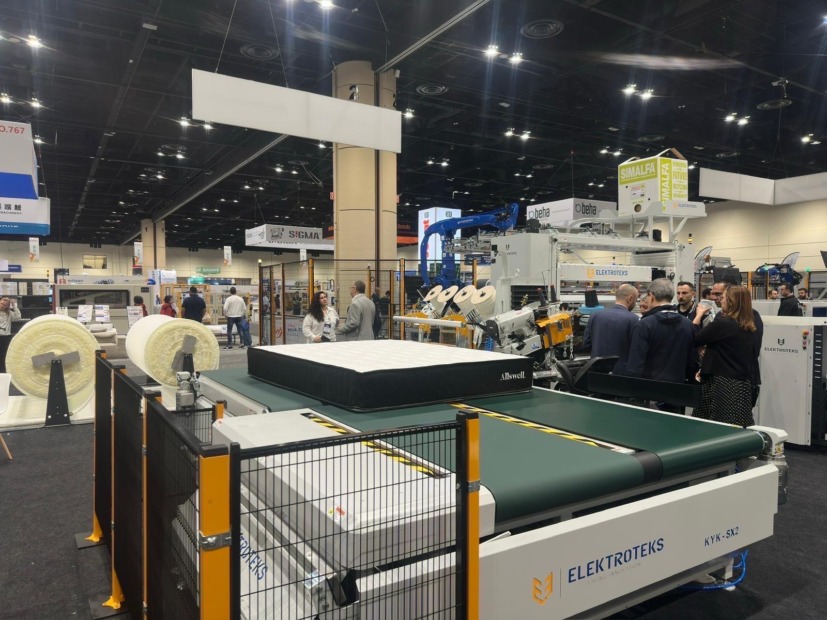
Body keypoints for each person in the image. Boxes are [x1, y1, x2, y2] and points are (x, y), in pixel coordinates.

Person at [691, 285, 758, 427]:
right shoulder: (748, 324)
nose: (720, 300)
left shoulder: (723, 323)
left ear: (732, 301)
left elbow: (694, 338)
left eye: (723, 297)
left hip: (722, 384)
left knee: (715, 425)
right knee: (735, 424)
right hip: (741, 384)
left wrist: (698, 316)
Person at [624, 278, 694, 384]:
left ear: (651, 296)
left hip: (650, 388)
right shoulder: (688, 325)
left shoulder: (644, 324)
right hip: (678, 387)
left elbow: (635, 364)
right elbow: (691, 362)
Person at [582, 283, 639, 373]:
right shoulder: (634, 319)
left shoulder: (595, 315)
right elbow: (636, 351)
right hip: (620, 374)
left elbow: (586, 344)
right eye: (636, 300)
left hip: (596, 371)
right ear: (630, 299)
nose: (635, 303)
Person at [0, 297, 21, 373]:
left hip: (5, 337)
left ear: (7, 306)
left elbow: (18, 317)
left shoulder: (9, 313)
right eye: (1, 303)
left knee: (4, 355)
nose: (2, 306)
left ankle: (3, 371)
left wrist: (14, 305)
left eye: (4, 305)